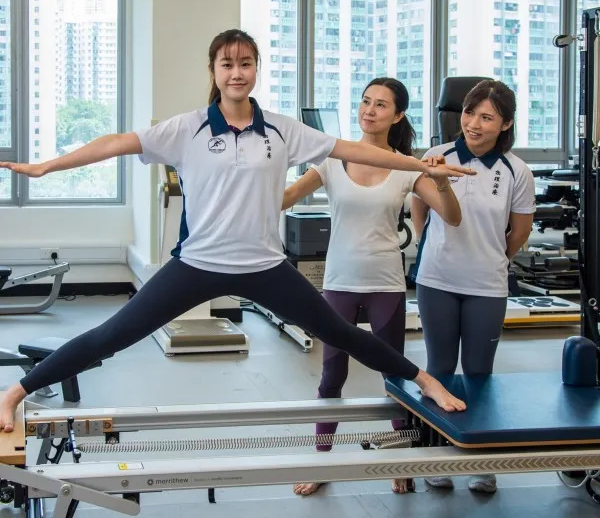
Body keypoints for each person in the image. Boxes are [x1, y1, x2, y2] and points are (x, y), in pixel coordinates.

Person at [0, 29, 474, 434]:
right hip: (197, 264)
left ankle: (425, 381)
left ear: (256, 70)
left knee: (340, 333)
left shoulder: (283, 131)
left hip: (265, 267)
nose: (236, 73)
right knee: (112, 335)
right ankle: (16, 392)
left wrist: (421, 166)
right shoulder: (186, 129)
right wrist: (48, 166)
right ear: (214, 70)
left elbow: (356, 150)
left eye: (246, 63)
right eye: (227, 64)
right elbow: (116, 143)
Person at [282, 77, 465, 497]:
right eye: (366, 101)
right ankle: (321, 459)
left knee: (394, 374)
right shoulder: (332, 160)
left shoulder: (405, 165)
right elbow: (286, 198)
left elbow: (452, 216)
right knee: (332, 375)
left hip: (385, 282)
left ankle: (401, 461)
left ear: (397, 116)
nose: (369, 110)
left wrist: (439, 180)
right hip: (339, 282)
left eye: (381, 104)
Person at [411, 79, 536, 494]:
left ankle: (482, 461)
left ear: (505, 124)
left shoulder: (516, 170)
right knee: (440, 369)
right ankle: (437, 455)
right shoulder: (437, 157)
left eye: (487, 117)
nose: (474, 124)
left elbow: (520, 230)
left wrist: (494, 257)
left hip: (487, 284)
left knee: (480, 373)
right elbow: (418, 202)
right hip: (437, 280)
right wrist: (424, 239)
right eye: (469, 113)